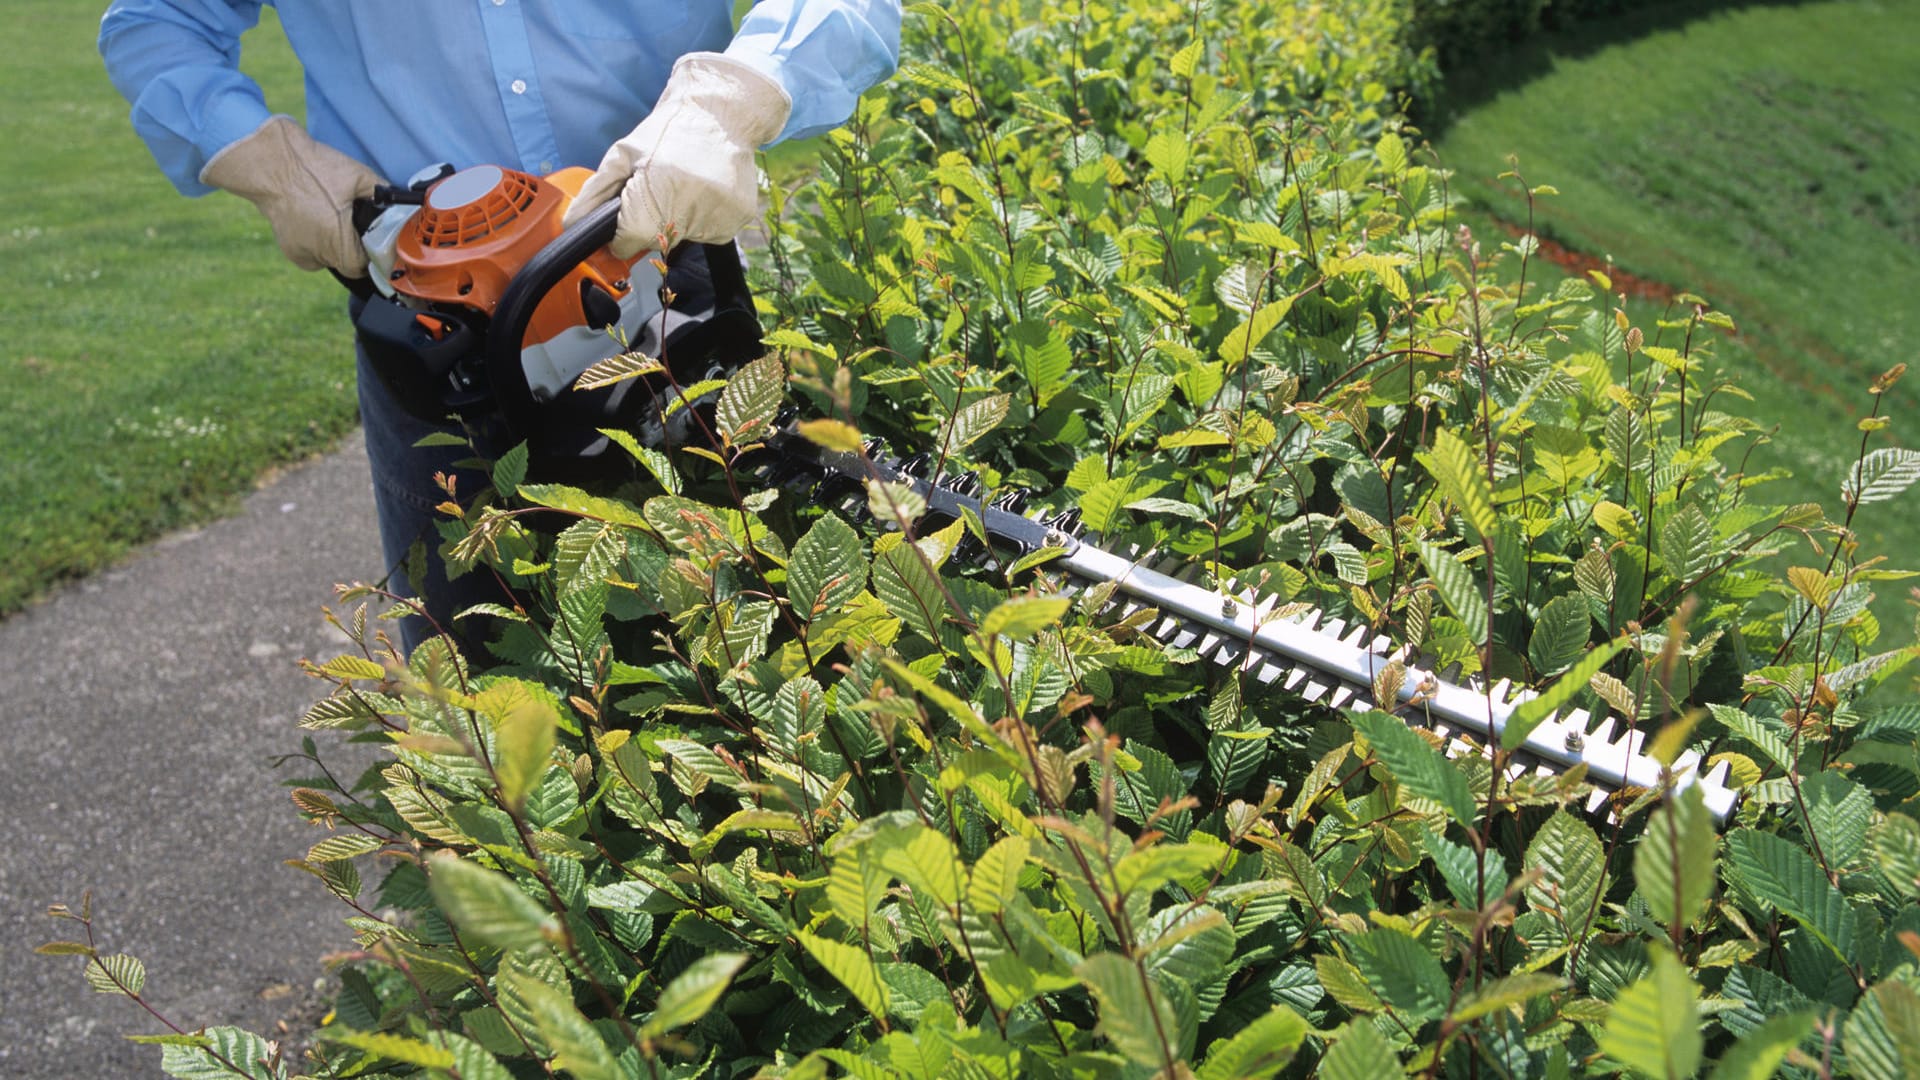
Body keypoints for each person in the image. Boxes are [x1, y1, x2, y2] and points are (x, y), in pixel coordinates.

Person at [99, 0, 901, 649]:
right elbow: (157, 20)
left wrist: (737, 97)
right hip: (437, 332)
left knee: (758, 647)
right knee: (483, 700)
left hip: (662, 257)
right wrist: (263, 158)